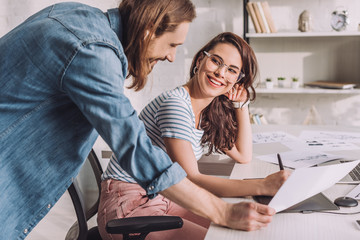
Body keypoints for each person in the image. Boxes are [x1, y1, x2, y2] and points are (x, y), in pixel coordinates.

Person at [0, 1, 279, 239]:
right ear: (148, 31)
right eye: (171, 44)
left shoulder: (79, 19)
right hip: (131, 203)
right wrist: (223, 210)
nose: (171, 56)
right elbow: (134, 145)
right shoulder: (93, 50)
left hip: (152, 198)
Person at [98, 32, 290, 240]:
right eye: (216, 61)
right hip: (130, 206)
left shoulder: (207, 110)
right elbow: (191, 177)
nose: (220, 73)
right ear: (200, 60)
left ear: (237, 80)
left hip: (164, 197)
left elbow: (243, 155)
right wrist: (262, 185)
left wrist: (240, 104)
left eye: (232, 70)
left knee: (245, 231)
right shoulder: (176, 105)